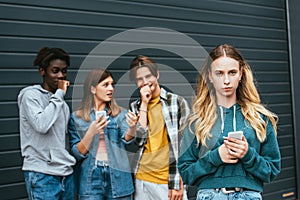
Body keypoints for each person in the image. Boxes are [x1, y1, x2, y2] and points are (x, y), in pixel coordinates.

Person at [177, 44, 281, 200]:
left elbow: (272, 170)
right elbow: (186, 173)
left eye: (232, 72)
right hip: (210, 196)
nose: (226, 80)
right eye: (219, 73)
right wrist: (215, 157)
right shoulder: (197, 120)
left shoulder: (260, 118)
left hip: (249, 196)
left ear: (241, 74)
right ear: (210, 77)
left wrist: (248, 154)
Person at [124, 55, 190, 200]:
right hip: (142, 179)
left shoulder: (177, 102)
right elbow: (139, 141)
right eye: (139, 79)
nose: (145, 82)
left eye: (148, 76)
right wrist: (144, 104)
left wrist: (178, 183)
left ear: (157, 74)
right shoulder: (136, 107)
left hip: (168, 181)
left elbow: (186, 146)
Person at [18, 47, 76, 199]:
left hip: (65, 174)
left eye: (64, 71)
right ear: (42, 71)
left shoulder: (61, 103)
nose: (61, 76)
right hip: (42, 175)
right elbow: (42, 125)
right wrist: (60, 94)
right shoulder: (30, 95)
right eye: (55, 71)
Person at [68, 68, 134, 199]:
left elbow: (127, 139)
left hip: (118, 177)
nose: (111, 89)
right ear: (93, 89)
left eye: (112, 84)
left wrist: (132, 127)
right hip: (90, 178)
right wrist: (91, 132)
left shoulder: (120, 114)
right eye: (105, 85)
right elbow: (77, 153)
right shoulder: (77, 117)